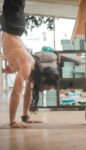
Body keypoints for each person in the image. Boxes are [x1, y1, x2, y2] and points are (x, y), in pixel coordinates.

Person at [1, 0, 59, 128]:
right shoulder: (28, 67)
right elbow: (16, 92)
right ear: (43, 79)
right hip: (13, 25)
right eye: (46, 88)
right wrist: (12, 122)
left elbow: (27, 93)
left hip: (14, 26)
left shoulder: (33, 72)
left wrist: (25, 117)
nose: (44, 91)